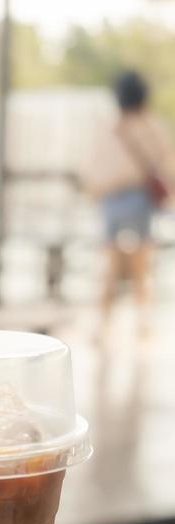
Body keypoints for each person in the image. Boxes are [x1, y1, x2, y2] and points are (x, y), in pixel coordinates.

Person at [81, 70, 175, 341]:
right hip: (139, 200)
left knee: (109, 265)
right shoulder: (151, 125)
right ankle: (143, 324)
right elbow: (165, 161)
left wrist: (95, 192)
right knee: (142, 265)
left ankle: (101, 325)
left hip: (111, 201)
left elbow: (91, 168)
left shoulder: (108, 126)